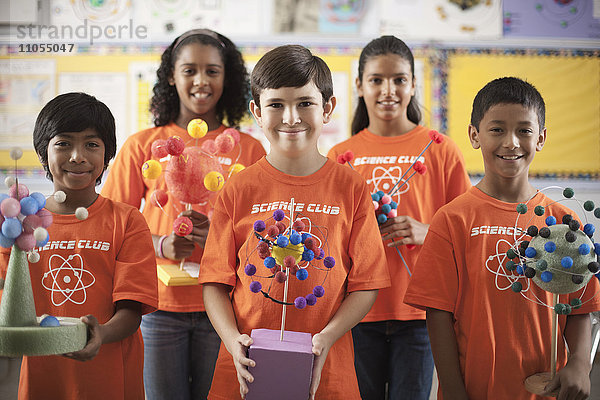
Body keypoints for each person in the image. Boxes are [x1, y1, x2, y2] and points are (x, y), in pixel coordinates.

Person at [199, 44, 391, 400]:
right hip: (244, 371)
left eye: (305, 103)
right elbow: (214, 281)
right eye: (276, 105)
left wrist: (327, 338)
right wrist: (231, 339)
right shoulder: (238, 188)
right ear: (257, 111)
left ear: (328, 108)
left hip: (328, 375)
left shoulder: (351, 188)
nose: (290, 117)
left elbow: (367, 284)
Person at [404, 77, 600, 399]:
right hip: (475, 389)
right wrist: (453, 390)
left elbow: (579, 305)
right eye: (497, 129)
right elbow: (438, 315)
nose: (511, 142)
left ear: (541, 138)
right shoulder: (452, 219)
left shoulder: (565, 221)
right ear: (474, 135)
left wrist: (579, 362)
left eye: (524, 130)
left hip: (548, 389)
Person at [101, 29, 265, 400]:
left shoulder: (250, 150)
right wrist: (160, 243)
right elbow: (112, 225)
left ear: (228, 78)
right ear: (171, 76)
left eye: (212, 71)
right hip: (158, 308)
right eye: (189, 70)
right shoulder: (142, 145)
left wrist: (223, 242)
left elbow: (264, 236)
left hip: (224, 309)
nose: (201, 81)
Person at [328, 35, 471, 400]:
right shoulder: (340, 155)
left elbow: (468, 231)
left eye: (398, 79)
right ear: (359, 85)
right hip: (356, 312)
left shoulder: (439, 148)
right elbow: (328, 234)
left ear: (412, 85)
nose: (387, 90)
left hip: (421, 315)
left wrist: (428, 231)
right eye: (376, 79)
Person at [0, 92, 158, 399]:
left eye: (91, 144)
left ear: (107, 155)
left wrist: (100, 334)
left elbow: (131, 308)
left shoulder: (127, 221)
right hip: (41, 379)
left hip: (110, 378)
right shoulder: (20, 223)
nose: (77, 156)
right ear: (43, 153)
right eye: (63, 143)